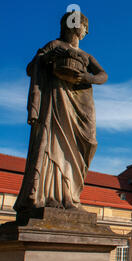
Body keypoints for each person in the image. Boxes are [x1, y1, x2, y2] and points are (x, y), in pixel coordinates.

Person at [14, 11, 108, 220]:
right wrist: (46, 59)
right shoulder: (54, 46)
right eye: (85, 26)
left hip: (80, 102)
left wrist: (87, 77)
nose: (86, 31)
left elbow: (103, 75)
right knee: (52, 143)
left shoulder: (86, 56)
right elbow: (32, 68)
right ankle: (50, 196)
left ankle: (71, 195)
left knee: (88, 142)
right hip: (56, 99)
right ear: (74, 25)